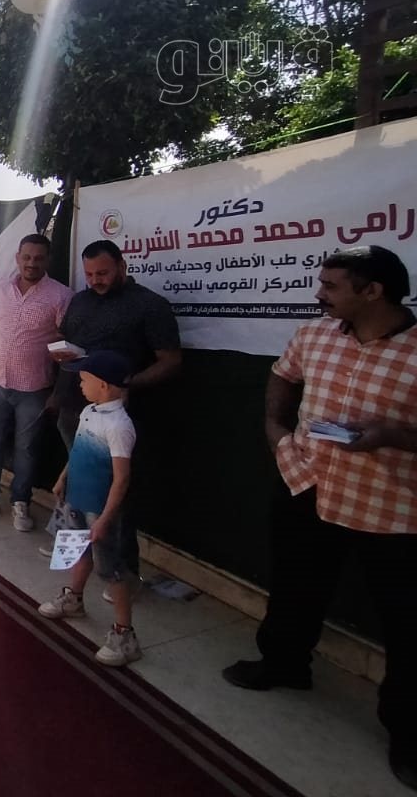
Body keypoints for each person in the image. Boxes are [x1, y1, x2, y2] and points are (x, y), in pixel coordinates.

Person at [221, 246, 417, 790]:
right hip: (309, 483)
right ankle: (283, 665)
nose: (319, 294)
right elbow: (283, 374)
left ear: (373, 291)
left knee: (405, 622)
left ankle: (408, 732)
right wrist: (276, 429)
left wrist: (392, 435)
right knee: (295, 585)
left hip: (391, 506)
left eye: (331, 286)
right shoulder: (315, 335)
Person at [49, 239, 181, 585]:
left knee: (114, 498)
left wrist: (127, 384)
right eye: (90, 274)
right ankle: (79, 570)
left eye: (103, 273)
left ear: (122, 266)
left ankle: (121, 574)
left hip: (116, 420)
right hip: (75, 411)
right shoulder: (80, 301)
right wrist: (61, 367)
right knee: (78, 492)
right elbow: (67, 340)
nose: (96, 280)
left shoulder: (149, 305)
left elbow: (170, 361)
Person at [0, 234, 73, 525]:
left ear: (47, 260)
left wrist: (58, 392)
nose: (31, 263)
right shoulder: (1, 288)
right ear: (17, 258)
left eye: (38, 258)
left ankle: (21, 502)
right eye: (27, 257)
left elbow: (66, 344)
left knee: (27, 449)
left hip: (35, 388)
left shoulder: (61, 296)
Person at [37, 350, 141, 668]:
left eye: (85, 380)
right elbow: (78, 451)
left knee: (110, 568)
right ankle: (74, 599)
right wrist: (63, 478)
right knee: (77, 551)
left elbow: (121, 479)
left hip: (100, 508)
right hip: (76, 500)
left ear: (104, 385)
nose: (80, 385)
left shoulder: (120, 426)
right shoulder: (88, 412)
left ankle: (124, 634)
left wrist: (106, 518)